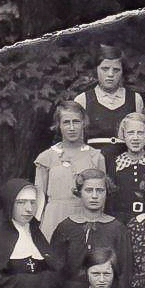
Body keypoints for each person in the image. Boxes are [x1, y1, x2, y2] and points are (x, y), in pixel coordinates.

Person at [50, 169, 132, 288]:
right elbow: (56, 270)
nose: (94, 196)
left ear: (107, 193)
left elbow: (125, 271)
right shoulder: (65, 227)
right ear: (79, 192)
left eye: (100, 191)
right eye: (88, 190)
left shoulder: (117, 229)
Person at [34, 100, 106, 240]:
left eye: (76, 122)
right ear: (59, 125)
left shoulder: (96, 157)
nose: (72, 127)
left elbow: (102, 197)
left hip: (85, 219)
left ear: (83, 123)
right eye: (66, 122)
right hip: (53, 219)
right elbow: (39, 199)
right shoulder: (47, 157)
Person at [74, 44, 144, 179]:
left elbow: (140, 138)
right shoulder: (83, 100)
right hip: (93, 167)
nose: (110, 74)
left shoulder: (135, 99)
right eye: (105, 69)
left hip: (127, 166)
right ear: (96, 69)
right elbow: (77, 143)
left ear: (122, 71)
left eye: (116, 70)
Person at [112, 112, 145, 224]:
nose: (135, 138)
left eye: (140, 133)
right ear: (123, 135)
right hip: (122, 221)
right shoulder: (115, 163)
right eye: (130, 133)